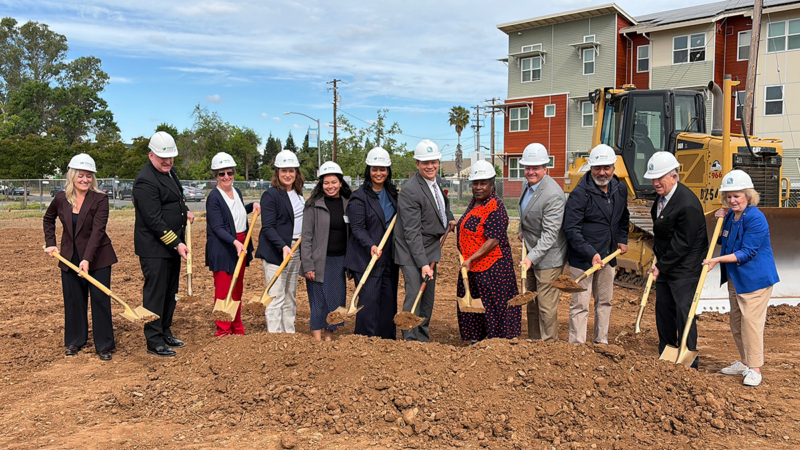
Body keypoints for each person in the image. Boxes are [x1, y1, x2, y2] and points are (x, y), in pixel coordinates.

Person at [703, 170, 779, 387]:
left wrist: (717, 260)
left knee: (750, 323)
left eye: (737, 196)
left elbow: (747, 252)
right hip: (735, 278)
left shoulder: (756, 218)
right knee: (736, 322)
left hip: (755, 280)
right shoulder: (731, 216)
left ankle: (755, 369)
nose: (732, 200)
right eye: (729, 196)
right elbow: (723, 241)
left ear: (748, 195)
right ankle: (745, 362)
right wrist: (718, 221)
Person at [43, 154, 117, 361]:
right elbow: (48, 219)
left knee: (100, 299)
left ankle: (104, 345)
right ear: (72, 175)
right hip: (69, 257)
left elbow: (98, 231)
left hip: (98, 257)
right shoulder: (61, 198)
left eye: (89, 176)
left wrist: (87, 259)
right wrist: (51, 242)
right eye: (81, 175)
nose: (85, 180)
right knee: (74, 299)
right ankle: (75, 340)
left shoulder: (100, 199)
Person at [133, 131, 194, 358]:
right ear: (151, 156)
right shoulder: (145, 181)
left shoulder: (170, 172)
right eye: (163, 158)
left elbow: (177, 199)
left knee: (170, 291)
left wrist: (185, 211)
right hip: (154, 248)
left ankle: (165, 330)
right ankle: (154, 340)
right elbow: (154, 221)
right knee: (156, 294)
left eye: (171, 157)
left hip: (172, 246)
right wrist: (177, 243)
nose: (168, 161)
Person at [645, 151, 708, 369]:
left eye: (660, 178)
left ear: (674, 176)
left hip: (685, 267)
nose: (655, 183)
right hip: (666, 263)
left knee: (683, 311)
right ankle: (666, 353)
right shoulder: (661, 198)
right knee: (664, 309)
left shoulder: (687, 204)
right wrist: (659, 262)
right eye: (653, 179)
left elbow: (683, 243)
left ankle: (688, 361)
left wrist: (661, 265)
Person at [563, 144, 630, 344]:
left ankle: (602, 342)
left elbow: (623, 217)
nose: (602, 173)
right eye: (597, 168)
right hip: (583, 260)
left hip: (608, 257)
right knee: (580, 304)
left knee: (605, 302)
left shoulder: (620, 189)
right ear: (590, 168)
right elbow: (571, 229)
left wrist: (622, 239)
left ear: (613, 168)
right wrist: (590, 253)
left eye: (606, 168)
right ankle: (577, 346)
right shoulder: (579, 194)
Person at [394, 139, 455, 342]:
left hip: (430, 246)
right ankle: (410, 340)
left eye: (433, 162)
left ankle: (422, 337)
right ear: (417, 164)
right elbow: (411, 233)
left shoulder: (436, 181)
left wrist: (449, 217)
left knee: (427, 297)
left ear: (438, 162)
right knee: (415, 294)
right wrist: (422, 264)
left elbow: (442, 204)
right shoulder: (411, 190)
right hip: (411, 250)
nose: (430, 166)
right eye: (425, 162)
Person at [456, 161, 521, 342]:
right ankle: (476, 339)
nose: (478, 187)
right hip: (472, 267)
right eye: (475, 183)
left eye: (483, 183)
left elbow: (493, 240)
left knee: (494, 304)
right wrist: (458, 224)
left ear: (492, 185)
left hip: (492, 267)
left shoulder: (496, 207)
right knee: (475, 303)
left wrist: (471, 258)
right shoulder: (474, 203)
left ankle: (498, 342)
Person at [344, 147, 399, 339]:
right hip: (366, 257)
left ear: (388, 171)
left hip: (388, 258)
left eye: (383, 169)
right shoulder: (359, 197)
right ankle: (365, 341)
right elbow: (357, 228)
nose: (379, 173)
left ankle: (387, 341)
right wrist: (371, 245)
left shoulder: (393, 194)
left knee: (388, 302)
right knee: (369, 302)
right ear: (369, 170)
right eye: (375, 169)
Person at [516, 143, 569, 342]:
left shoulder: (553, 194)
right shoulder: (526, 184)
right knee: (532, 300)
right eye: (528, 167)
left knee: (546, 305)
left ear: (545, 168)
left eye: (536, 168)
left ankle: (549, 345)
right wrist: (521, 230)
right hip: (531, 251)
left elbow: (550, 234)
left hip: (549, 257)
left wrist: (530, 258)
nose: (531, 172)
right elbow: (525, 211)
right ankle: (534, 341)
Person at [205, 152, 261, 337]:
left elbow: (235, 212)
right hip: (224, 247)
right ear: (216, 175)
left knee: (237, 289)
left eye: (229, 172)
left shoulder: (236, 191)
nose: (226, 177)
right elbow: (217, 227)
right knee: (224, 290)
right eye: (222, 174)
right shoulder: (214, 197)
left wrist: (252, 205)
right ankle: (223, 330)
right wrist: (235, 242)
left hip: (240, 243)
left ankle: (237, 327)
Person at [255, 149, 304, 333]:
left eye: (291, 170)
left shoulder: (298, 194)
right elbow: (268, 227)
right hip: (276, 251)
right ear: (277, 172)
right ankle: (275, 335)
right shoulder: (271, 195)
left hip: (295, 248)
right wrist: (283, 246)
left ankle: (288, 333)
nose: (288, 174)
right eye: (284, 171)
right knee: (276, 295)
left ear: (296, 172)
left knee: (290, 294)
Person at [301, 162, 351, 341]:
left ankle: (328, 337)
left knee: (335, 301)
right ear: (321, 184)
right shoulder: (313, 205)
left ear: (340, 182)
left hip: (339, 261)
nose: (330, 186)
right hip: (318, 261)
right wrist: (308, 265)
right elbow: (306, 237)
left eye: (334, 182)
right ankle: (317, 339)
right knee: (318, 301)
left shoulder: (348, 203)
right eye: (326, 183)